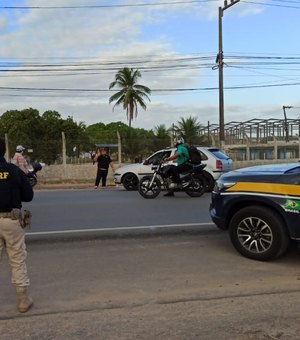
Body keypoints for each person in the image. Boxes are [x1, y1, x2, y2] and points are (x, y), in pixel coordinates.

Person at [0, 138, 34, 313]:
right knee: (17, 259)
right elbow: (28, 196)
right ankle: (22, 300)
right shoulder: (14, 171)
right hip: (11, 221)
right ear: (4, 151)